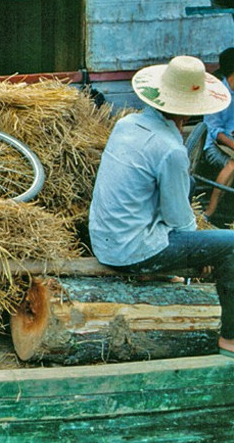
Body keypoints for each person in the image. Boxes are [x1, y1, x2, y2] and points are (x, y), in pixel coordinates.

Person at [89, 55, 234, 358]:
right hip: (131, 250)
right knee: (231, 245)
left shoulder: (127, 123)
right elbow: (179, 219)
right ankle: (229, 339)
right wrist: (201, 252)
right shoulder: (171, 149)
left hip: (104, 239)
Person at [202, 47, 234, 221]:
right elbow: (214, 131)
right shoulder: (218, 94)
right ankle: (209, 212)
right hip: (215, 146)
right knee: (233, 165)